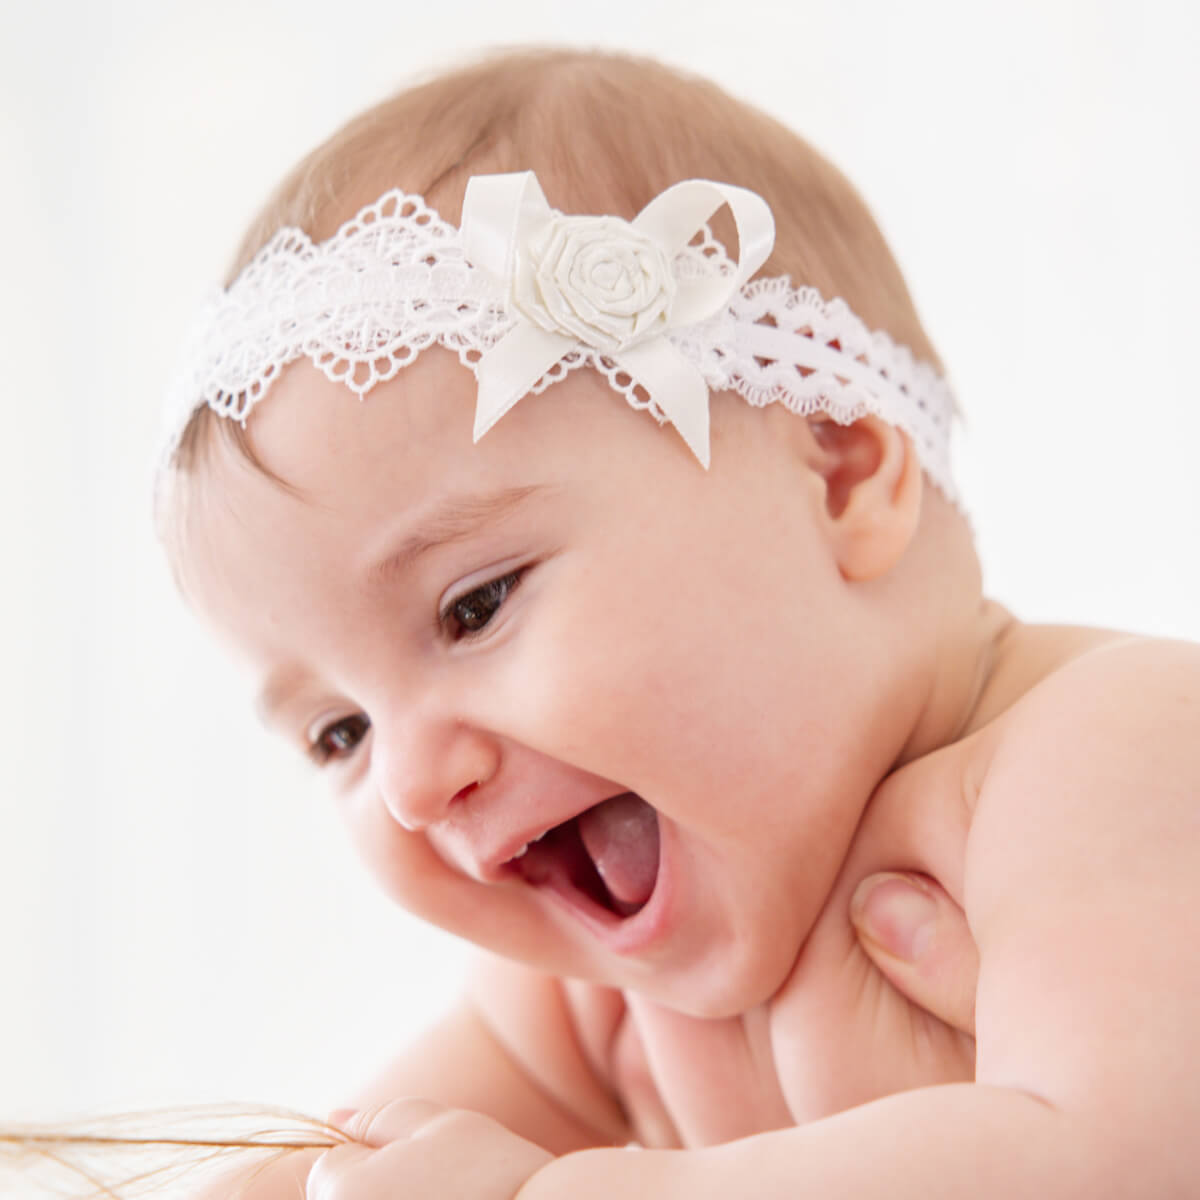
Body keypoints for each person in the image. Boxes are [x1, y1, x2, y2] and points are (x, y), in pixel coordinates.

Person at [156, 47, 1197, 1199]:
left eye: (474, 607)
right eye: (338, 731)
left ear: (841, 473)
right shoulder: (592, 1002)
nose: (408, 784)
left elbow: (1124, 1157)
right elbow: (368, 1166)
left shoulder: (1111, 757)